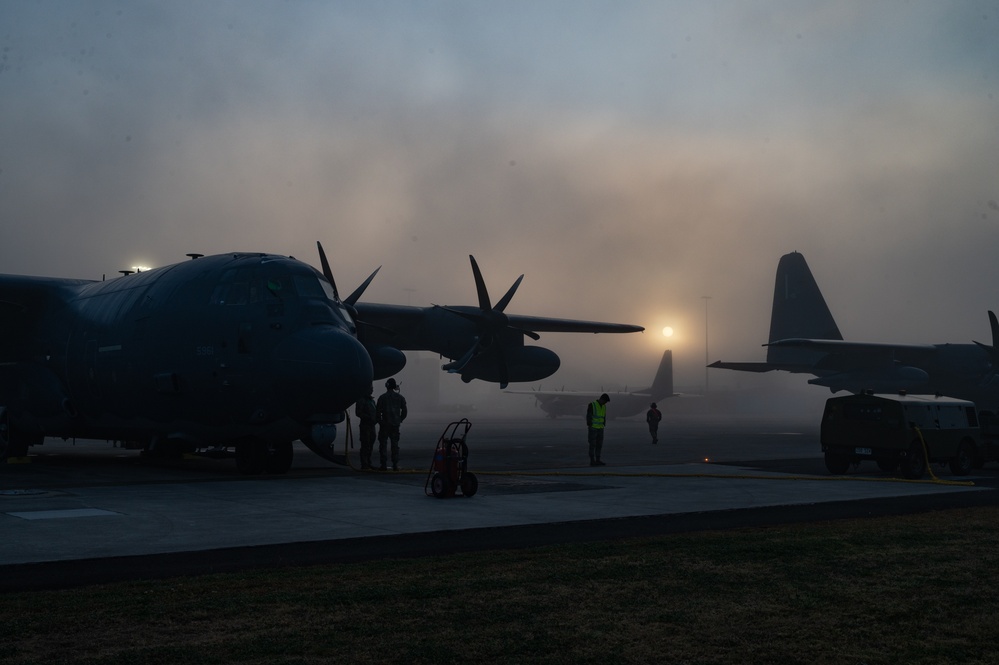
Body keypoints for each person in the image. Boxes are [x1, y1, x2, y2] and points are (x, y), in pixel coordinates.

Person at [376, 377, 407, 471]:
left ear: (387, 386)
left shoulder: (382, 398)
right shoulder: (400, 398)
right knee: (395, 445)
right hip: (395, 425)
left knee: (383, 445)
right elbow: (405, 411)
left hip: (385, 425)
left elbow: (377, 412)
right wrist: (400, 419)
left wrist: (380, 421)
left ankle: (383, 465)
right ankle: (395, 465)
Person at [354, 385, 377, 469]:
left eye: (372, 389)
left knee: (370, 444)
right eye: (370, 388)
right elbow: (358, 413)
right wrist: (368, 417)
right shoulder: (362, 400)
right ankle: (364, 464)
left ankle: (368, 462)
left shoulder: (372, 401)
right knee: (365, 444)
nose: (372, 390)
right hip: (365, 425)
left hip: (372, 425)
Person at [586, 393, 610, 466]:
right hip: (593, 428)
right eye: (605, 401)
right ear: (602, 399)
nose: (605, 403)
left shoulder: (604, 406)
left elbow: (603, 416)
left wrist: (603, 424)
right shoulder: (592, 405)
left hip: (600, 428)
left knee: (599, 445)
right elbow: (589, 416)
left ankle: (598, 460)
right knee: (592, 445)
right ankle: (592, 460)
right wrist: (590, 424)